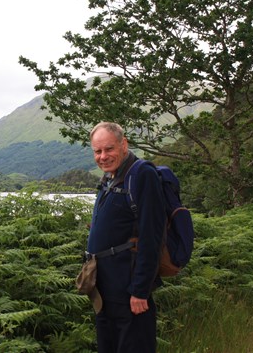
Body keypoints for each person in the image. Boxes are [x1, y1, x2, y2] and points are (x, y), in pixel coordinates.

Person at [87, 122, 166, 353]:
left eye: (109, 149)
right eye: (97, 151)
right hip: (105, 289)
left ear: (124, 144)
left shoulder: (142, 174)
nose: (103, 156)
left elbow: (152, 236)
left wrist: (140, 290)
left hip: (129, 288)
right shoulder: (109, 178)